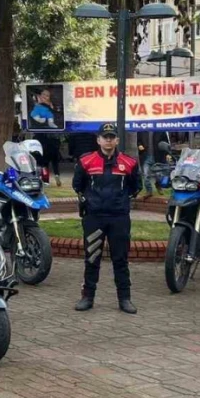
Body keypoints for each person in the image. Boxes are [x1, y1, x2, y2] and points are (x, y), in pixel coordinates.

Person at [72, 123, 141, 314]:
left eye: (112, 137)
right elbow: (77, 185)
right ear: (98, 140)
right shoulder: (86, 161)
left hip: (119, 218)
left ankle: (125, 299)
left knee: (121, 259)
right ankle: (87, 297)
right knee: (92, 258)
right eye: (105, 137)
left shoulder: (129, 162)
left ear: (117, 140)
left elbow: (136, 187)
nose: (108, 140)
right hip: (94, 218)